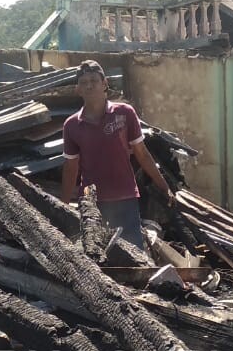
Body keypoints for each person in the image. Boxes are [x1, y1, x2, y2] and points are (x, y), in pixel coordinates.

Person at [60, 60, 173, 250]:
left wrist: (164, 186)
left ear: (105, 84)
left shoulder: (124, 114)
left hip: (125, 198)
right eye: (84, 82)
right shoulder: (71, 125)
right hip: (92, 203)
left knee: (134, 254)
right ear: (77, 89)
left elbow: (142, 153)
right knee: (97, 256)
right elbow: (71, 168)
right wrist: (62, 207)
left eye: (94, 80)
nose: (89, 85)